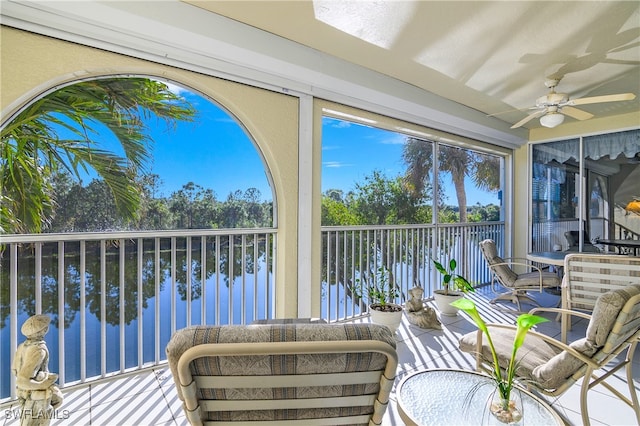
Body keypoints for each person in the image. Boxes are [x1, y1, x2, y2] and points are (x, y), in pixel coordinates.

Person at [12, 314, 63, 424]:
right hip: (36, 394)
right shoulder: (39, 350)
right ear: (43, 330)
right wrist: (42, 385)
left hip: (24, 393)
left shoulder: (22, 346)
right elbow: (21, 380)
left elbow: (14, 370)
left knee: (58, 399)